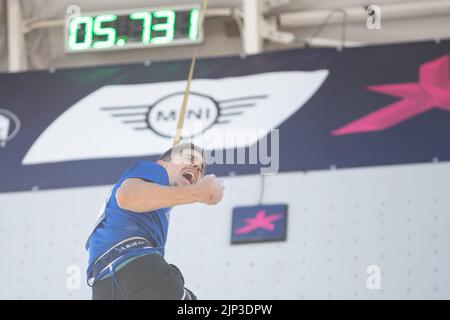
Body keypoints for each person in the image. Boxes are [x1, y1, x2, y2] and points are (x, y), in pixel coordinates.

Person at [85, 143, 224, 300]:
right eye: (189, 158)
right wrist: (198, 192)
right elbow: (127, 196)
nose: (196, 168)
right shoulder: (156, 170)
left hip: (104, 285)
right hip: (136, 267)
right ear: (162, 163)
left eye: (200, 169)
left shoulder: (157, 208)